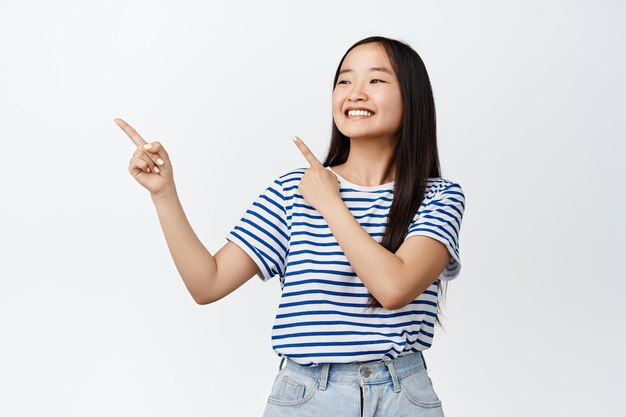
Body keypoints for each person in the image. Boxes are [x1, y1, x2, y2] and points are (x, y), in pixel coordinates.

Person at [115, 35, 465, 417]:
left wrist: (331, 203)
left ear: (412, 98)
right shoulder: (291, 192)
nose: (355, 93)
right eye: (344, 81)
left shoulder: (438, 198)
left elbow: (394, 288)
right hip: (308, 397)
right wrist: (164, 193)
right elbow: (207, 283)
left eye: (376, 80)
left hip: (402, 396)